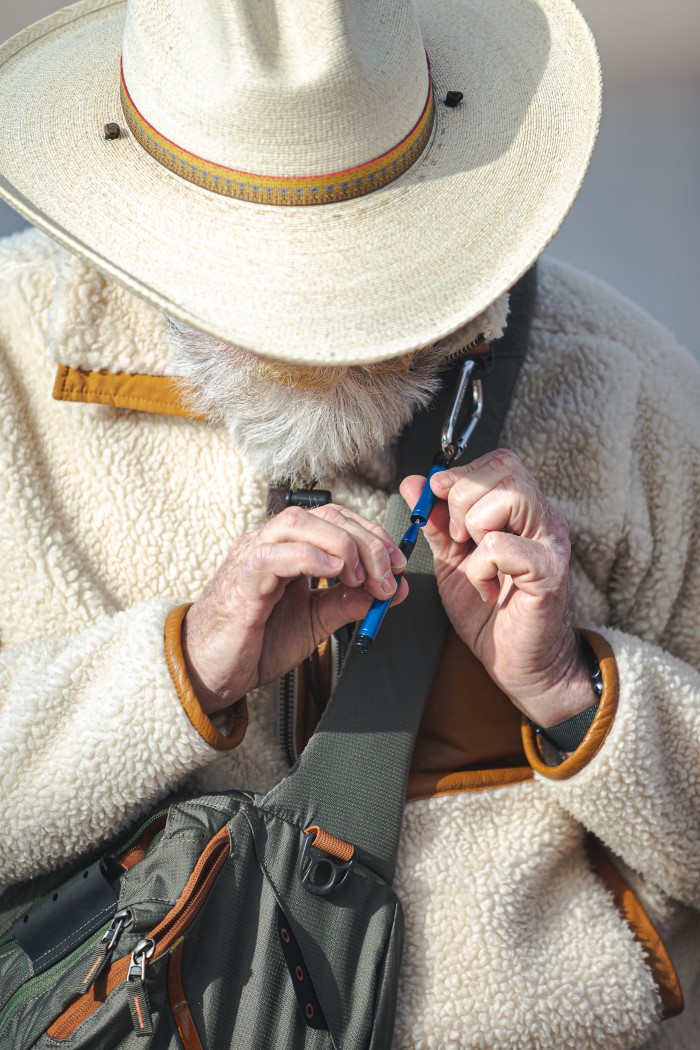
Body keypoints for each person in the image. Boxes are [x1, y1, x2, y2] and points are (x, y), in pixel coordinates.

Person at [0, 0, 698, 1046]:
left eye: (357, 267)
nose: (320, 340)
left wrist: (577, 692)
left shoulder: (621, 383)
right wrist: (176, 669)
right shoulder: (15, 360)